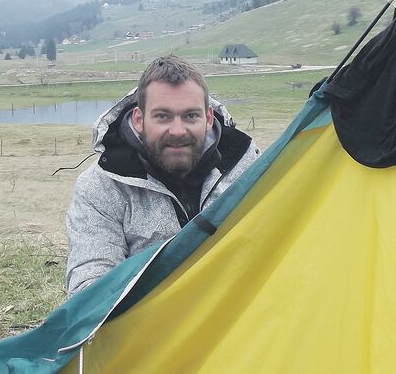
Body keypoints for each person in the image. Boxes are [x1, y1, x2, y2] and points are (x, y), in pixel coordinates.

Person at [64, 55, 261, 296]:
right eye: (163, 116)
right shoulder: (100, 187)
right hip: (152, 331)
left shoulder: (248, 167)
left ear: (208, 118)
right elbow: (90, 291)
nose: (178, 131)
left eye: (191, 116)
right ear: (139, 119)